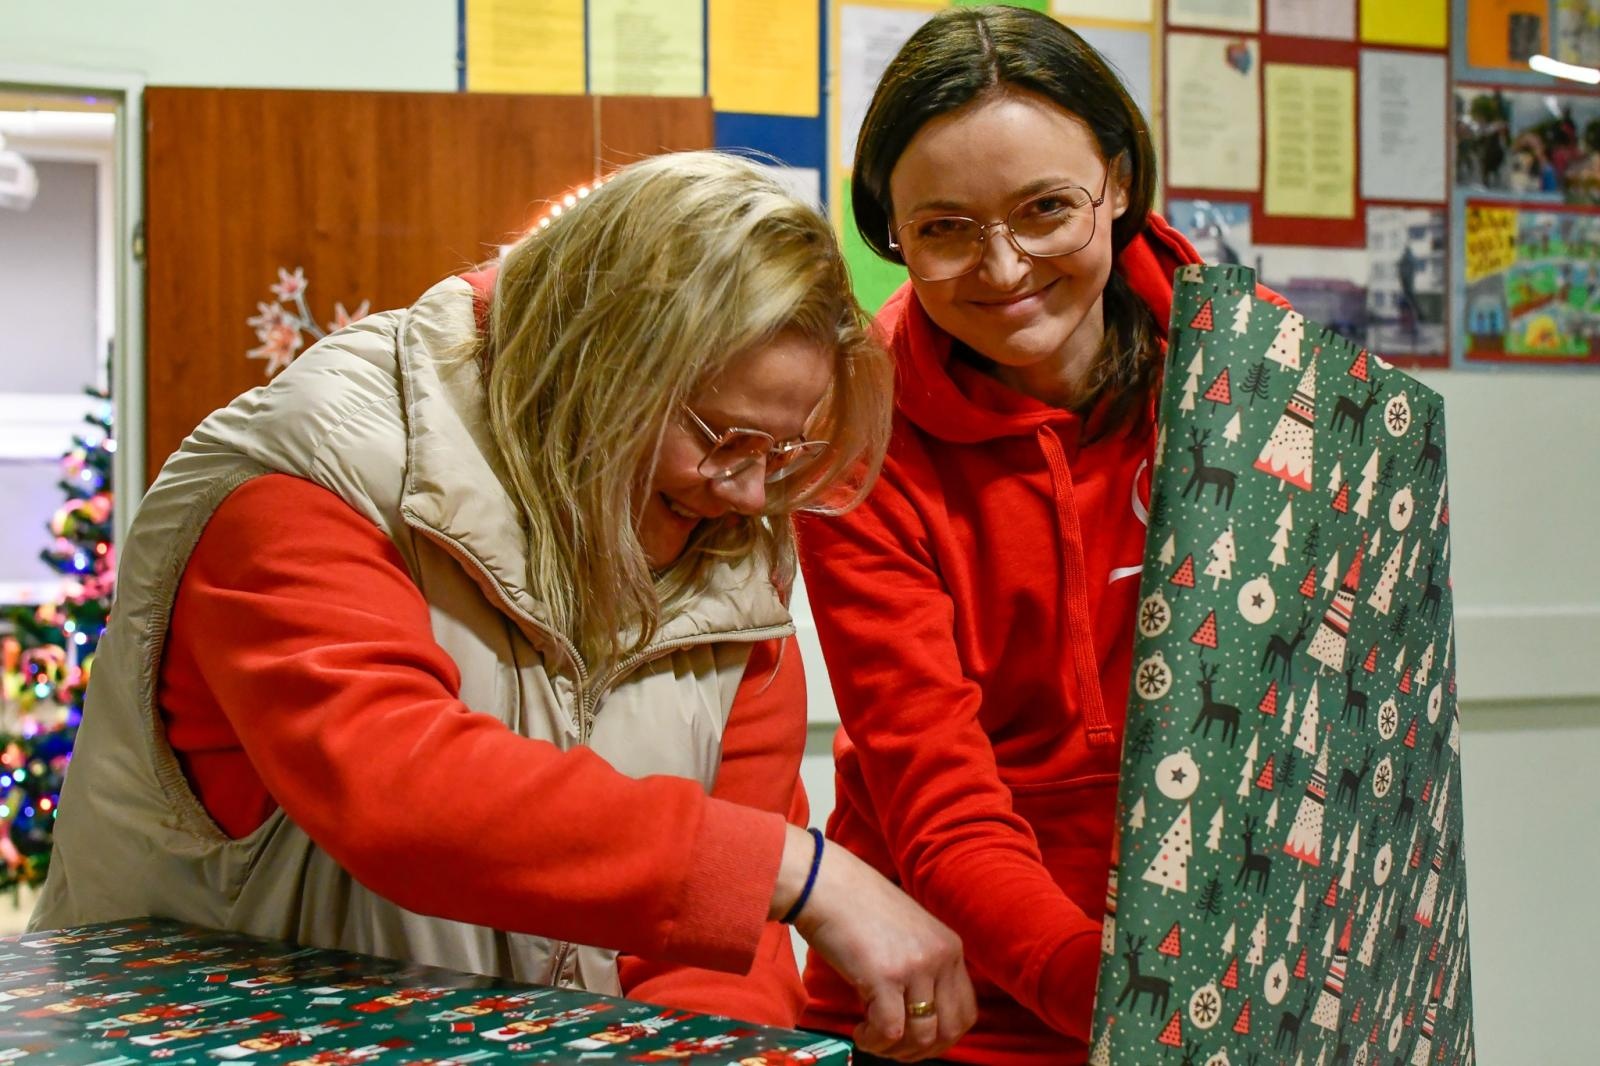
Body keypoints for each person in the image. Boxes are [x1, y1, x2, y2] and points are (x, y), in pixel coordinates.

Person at [31, 151, 974, 1061]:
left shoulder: (730, 554)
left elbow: (712, 958)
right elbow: (399, 790)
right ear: (598, 364)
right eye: (723, 437)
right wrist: (797, 871)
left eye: (785, 456)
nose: (745, 492)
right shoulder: (311, 474)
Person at [793, 8, 1286, 1065]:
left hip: (1221, 982)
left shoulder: (1254, 374)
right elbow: (938, 795)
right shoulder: (856, 437)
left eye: (1045, 209)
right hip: (946, 1006)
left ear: (1114, 181)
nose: (1003, 267)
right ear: (892, 231)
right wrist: (1104, 987)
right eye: (946, 228)